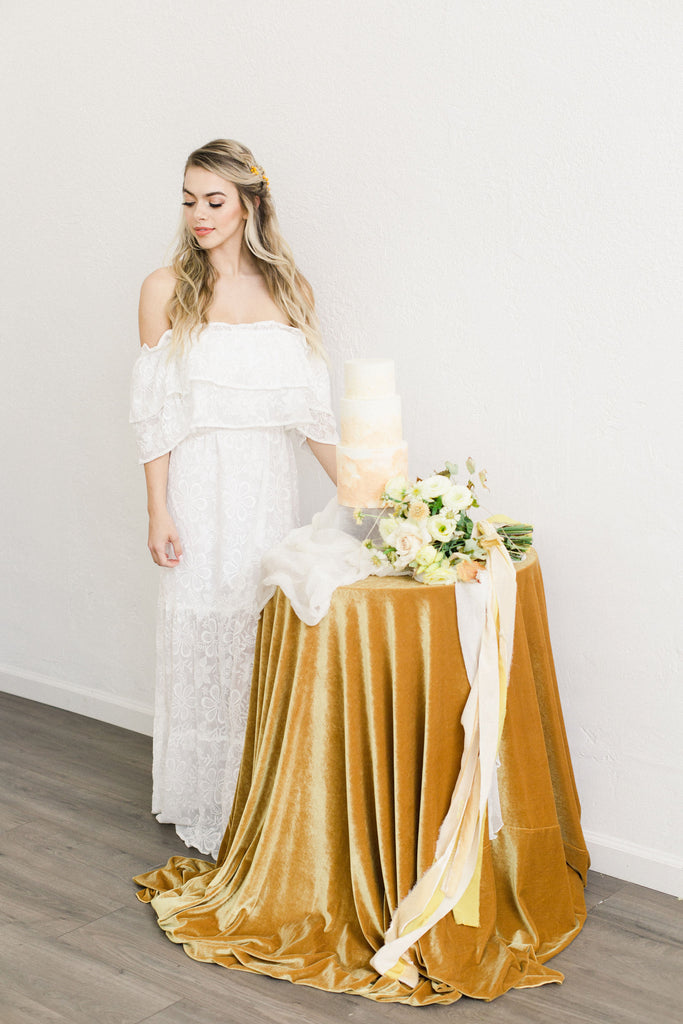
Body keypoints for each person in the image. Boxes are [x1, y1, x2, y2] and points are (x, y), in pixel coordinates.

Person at [130, 139, 338, 857]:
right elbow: (154, 413)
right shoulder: (165, 288)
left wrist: (372, 497)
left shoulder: (290, 290)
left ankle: (256, 795)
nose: (199, 215)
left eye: (213, 201)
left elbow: (312, 418)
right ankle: (200, 793)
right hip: (196, 482)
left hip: (264, 487)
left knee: (256, 633)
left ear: (250, 202)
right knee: (200, 628)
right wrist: (158, 507)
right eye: (189, 200)